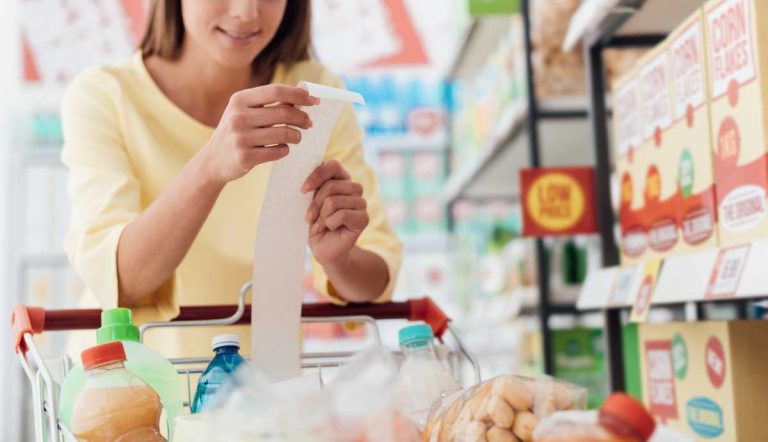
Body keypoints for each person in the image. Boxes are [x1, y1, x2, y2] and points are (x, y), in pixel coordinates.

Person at [61, 0, 401, 358]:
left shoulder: (314, 92)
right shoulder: (105, 95)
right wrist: (210, 167)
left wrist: (338, 260)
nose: (246, 13)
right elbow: (121, 282)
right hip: (130, 381)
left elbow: (373, 283)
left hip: (259, 385)